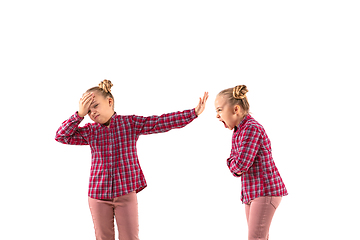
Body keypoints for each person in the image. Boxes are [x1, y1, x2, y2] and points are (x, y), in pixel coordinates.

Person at [55, 79, 209, 240]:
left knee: (130, 237)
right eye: (87, 111)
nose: (92, 113)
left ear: (109, 101)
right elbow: (60, 136)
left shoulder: (130, 123)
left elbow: (160, 122)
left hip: (126, 192)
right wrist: (78, 115)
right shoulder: (89, 131)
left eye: (95, 106)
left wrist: (193, 113)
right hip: (97, 195)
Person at [215, 85, 288, 240]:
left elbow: (239, 166)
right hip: (253, 192)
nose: (217, 115)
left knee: (256, 238)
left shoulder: (251, 129)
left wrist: (231, 163)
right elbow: (235, 163)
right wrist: (233, 163)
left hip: (264, 191)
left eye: (220, 110)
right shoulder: (239, 131)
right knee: (260, 237)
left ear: (236, 109)